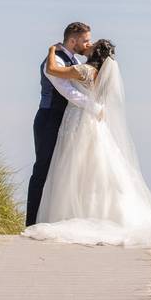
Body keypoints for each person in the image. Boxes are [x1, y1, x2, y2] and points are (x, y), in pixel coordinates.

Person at [22, 37, 151, 247]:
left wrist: (50, 49)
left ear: (94, 52)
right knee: (97, 166)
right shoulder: (102, 74)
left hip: (80, 119)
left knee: (76, 166)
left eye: (91, 44)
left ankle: (76, 213)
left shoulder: (84, 70)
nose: (87, 45)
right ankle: (102, 212)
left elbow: (53, 70)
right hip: (95, 121)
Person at [24, 22, 97, 227]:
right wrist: (94, 108)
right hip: (49, 118)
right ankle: (31, 223)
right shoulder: (55, 58)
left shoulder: (73, 59)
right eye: (85, 40)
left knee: (61, 169)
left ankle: (51, 219)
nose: (87, 44)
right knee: (43, 168)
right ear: (73, 40)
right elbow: (67, 91)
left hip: (66, 121)